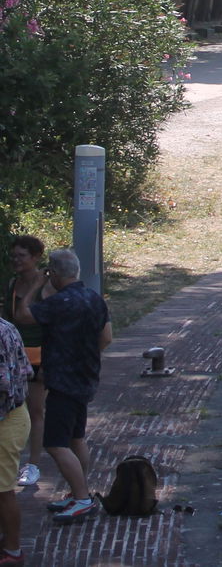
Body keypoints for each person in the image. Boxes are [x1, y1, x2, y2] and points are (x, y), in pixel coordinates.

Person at [15, 249, 111, 522]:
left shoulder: (59, 302)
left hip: (62, 382)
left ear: (54, 273)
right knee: (75, 438)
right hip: (86, 378)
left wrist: (35, 285)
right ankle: (79, 491)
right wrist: (85, 357)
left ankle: (82, 499)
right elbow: (107, 337)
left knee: (56, 444)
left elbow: (22, 316)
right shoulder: (94, 298)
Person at [3, 238, 48, 487]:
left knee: (35, 408)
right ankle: (11, 459)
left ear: (36, 257)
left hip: (38, 354)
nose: (16, 260)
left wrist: (49, 360)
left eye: (22, 256)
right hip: (13, 356)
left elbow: (51, 324)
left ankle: (33, 464)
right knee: (11, 407)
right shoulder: (12, 283)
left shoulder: (46, 287)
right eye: (14, 256)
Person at [0, 312, 31, 564]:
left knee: (3, 491)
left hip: (6, 420)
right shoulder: (7, 327)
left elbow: (3, 386)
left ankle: (13, 550)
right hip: (15, 414)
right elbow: (26, 369)